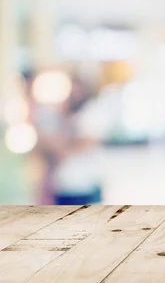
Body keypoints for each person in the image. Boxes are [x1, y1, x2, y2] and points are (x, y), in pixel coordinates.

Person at [33, 74, 110, 205]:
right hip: (62, 185)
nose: (75, 92)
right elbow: (44, 144)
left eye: (78, 88)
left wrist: (62, 147)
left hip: (86, 184)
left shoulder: (92, 112)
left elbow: (86, 142)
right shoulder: (58, 114)